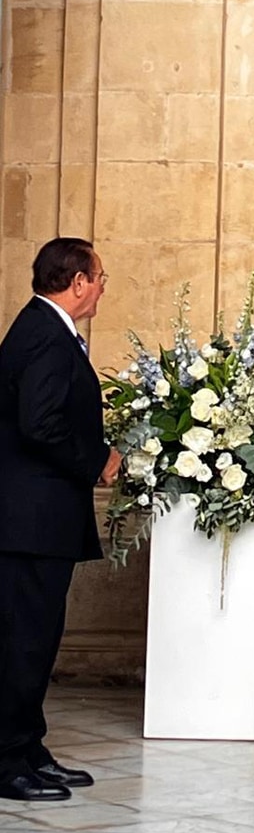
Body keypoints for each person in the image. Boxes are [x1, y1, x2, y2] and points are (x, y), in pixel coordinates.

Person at [0, 238, 122, 802]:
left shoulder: (44, 328)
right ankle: (8, 762)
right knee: (23, 641)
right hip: (28, 519)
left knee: (35, 638)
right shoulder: (47, 335)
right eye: (99, 278)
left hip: (36, 519)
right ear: (77, 282)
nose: (101, 289)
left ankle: (28, 748)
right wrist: (98, 459)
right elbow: (39, 424)